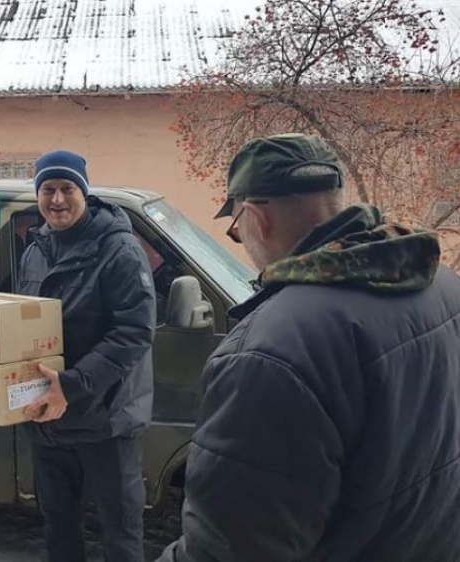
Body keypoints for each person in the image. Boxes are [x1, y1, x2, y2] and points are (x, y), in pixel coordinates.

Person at [158, 133, 460, 562]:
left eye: (236, 229)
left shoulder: (269, 352)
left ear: (255, 217)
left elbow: (231, 548)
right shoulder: (440, 282)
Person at [17, 150, 156, 562]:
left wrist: (72, 385)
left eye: (66, 189)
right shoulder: (36, 248)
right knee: (58, 524)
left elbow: (134, 332)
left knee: (120, 530)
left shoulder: (119, 250)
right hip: (48, 416)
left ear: (84, 192)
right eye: (48, 190)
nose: (56, 199)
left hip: (105, 418)